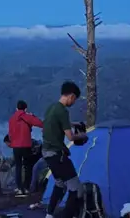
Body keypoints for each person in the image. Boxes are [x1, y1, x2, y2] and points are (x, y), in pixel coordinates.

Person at [42, 81, 88, 218]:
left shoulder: (52, 108)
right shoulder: (62, 110)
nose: (73, 103)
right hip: (58, 155)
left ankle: (49, 215)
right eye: (74, 100)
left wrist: (74, 123)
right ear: (72, 96)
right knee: (76, 188)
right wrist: (84, 135)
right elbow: (70, 137)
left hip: (47, 153)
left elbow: (54, 123)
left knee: (60, 184)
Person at [8, 99, 44, 197]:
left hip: (15, 146)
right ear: (26, 108)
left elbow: (10, 134)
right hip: (25, 145)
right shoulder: (27, 116)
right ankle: (26, 187)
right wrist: (32, 115)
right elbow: (40, 123)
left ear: (16, 108)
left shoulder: (11, 119)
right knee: (28, 166)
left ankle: (19, 188)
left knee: (18, 167)